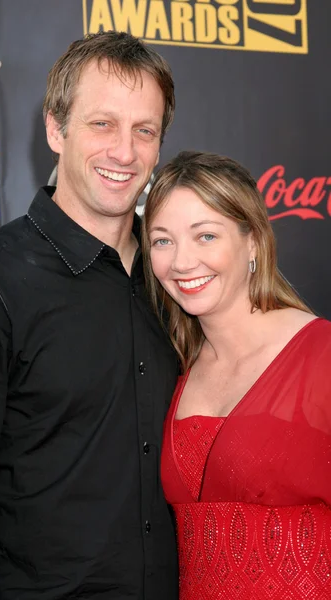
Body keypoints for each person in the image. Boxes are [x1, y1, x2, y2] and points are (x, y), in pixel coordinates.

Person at [0, 31, 180, 600]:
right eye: (102, 124)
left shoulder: (177, 281)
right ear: (54, 129)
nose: (124, 151)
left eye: (145, 130)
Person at [141, 150, 331, 600]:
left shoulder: (320, 353)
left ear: (253, 242)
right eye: (162, 240)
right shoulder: (175, 366)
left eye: (205, 236)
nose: (182, 262)